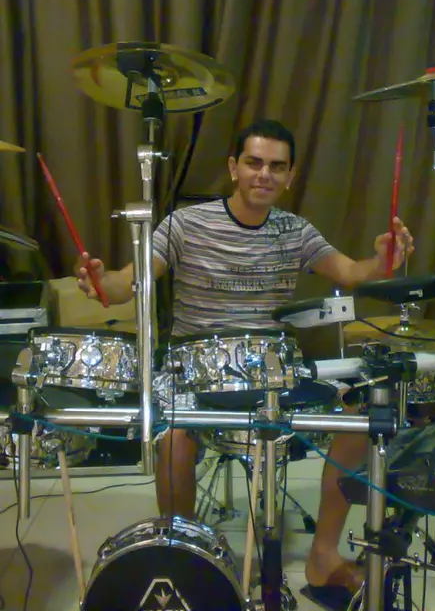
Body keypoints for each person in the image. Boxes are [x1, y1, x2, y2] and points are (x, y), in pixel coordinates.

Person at [75, 119, 413, 602]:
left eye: (277, 166)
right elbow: (130, 281)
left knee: (358, 419)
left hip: (272, 367)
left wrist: (382, 262)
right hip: (192, 369)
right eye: (254, 163)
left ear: (290, 176)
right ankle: (189, 560)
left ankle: (323, 556)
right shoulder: (186, 224)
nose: (264, 174)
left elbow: (351, 273)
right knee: (174, 439)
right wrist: (101, 283)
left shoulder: (296, 230)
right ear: (234, 168)